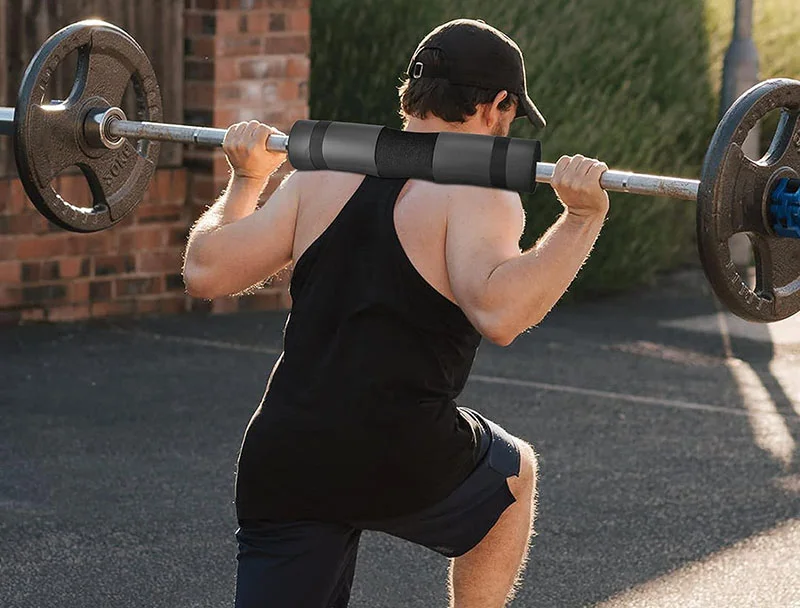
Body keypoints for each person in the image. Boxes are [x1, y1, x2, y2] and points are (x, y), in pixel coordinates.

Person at [182, 18, 609, 608]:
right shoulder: (480, 192)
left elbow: (204, 270)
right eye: (510, 114)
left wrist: (246, 179)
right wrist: (581, 220)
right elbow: (501, 312)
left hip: (286, 453)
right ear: (498, 105)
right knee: (513, 476)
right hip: (401, 452)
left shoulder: (323, 172)